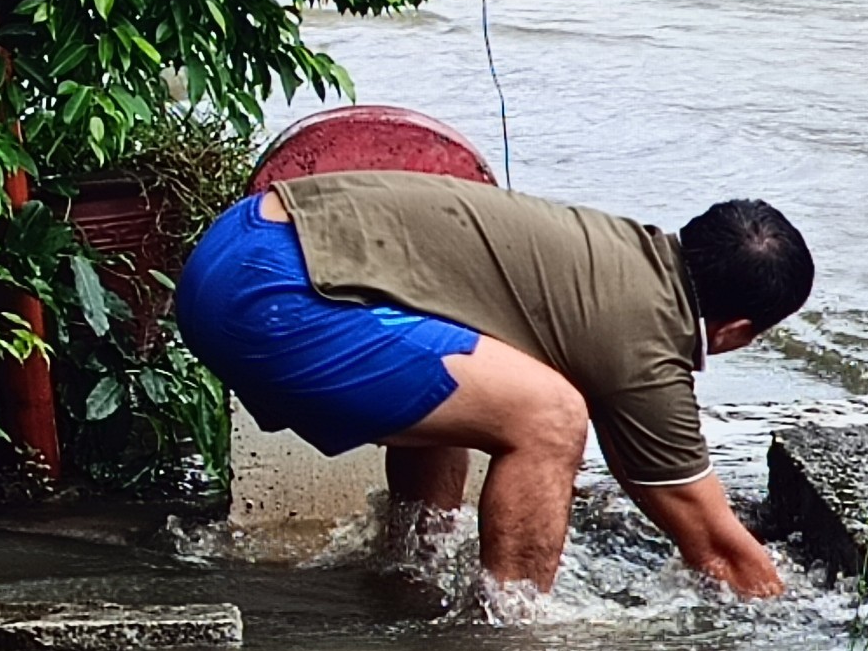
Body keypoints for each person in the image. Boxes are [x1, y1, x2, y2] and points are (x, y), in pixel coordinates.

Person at [175, 172, 812, 605]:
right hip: (269, 297)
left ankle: (411, 566)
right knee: (551, 415)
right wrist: (799, 624)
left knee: (467, 367)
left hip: (235, 241)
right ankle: (510, 632)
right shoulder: (645, 337)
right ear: (735, 330)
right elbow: (717, 549)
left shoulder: (617, 252)